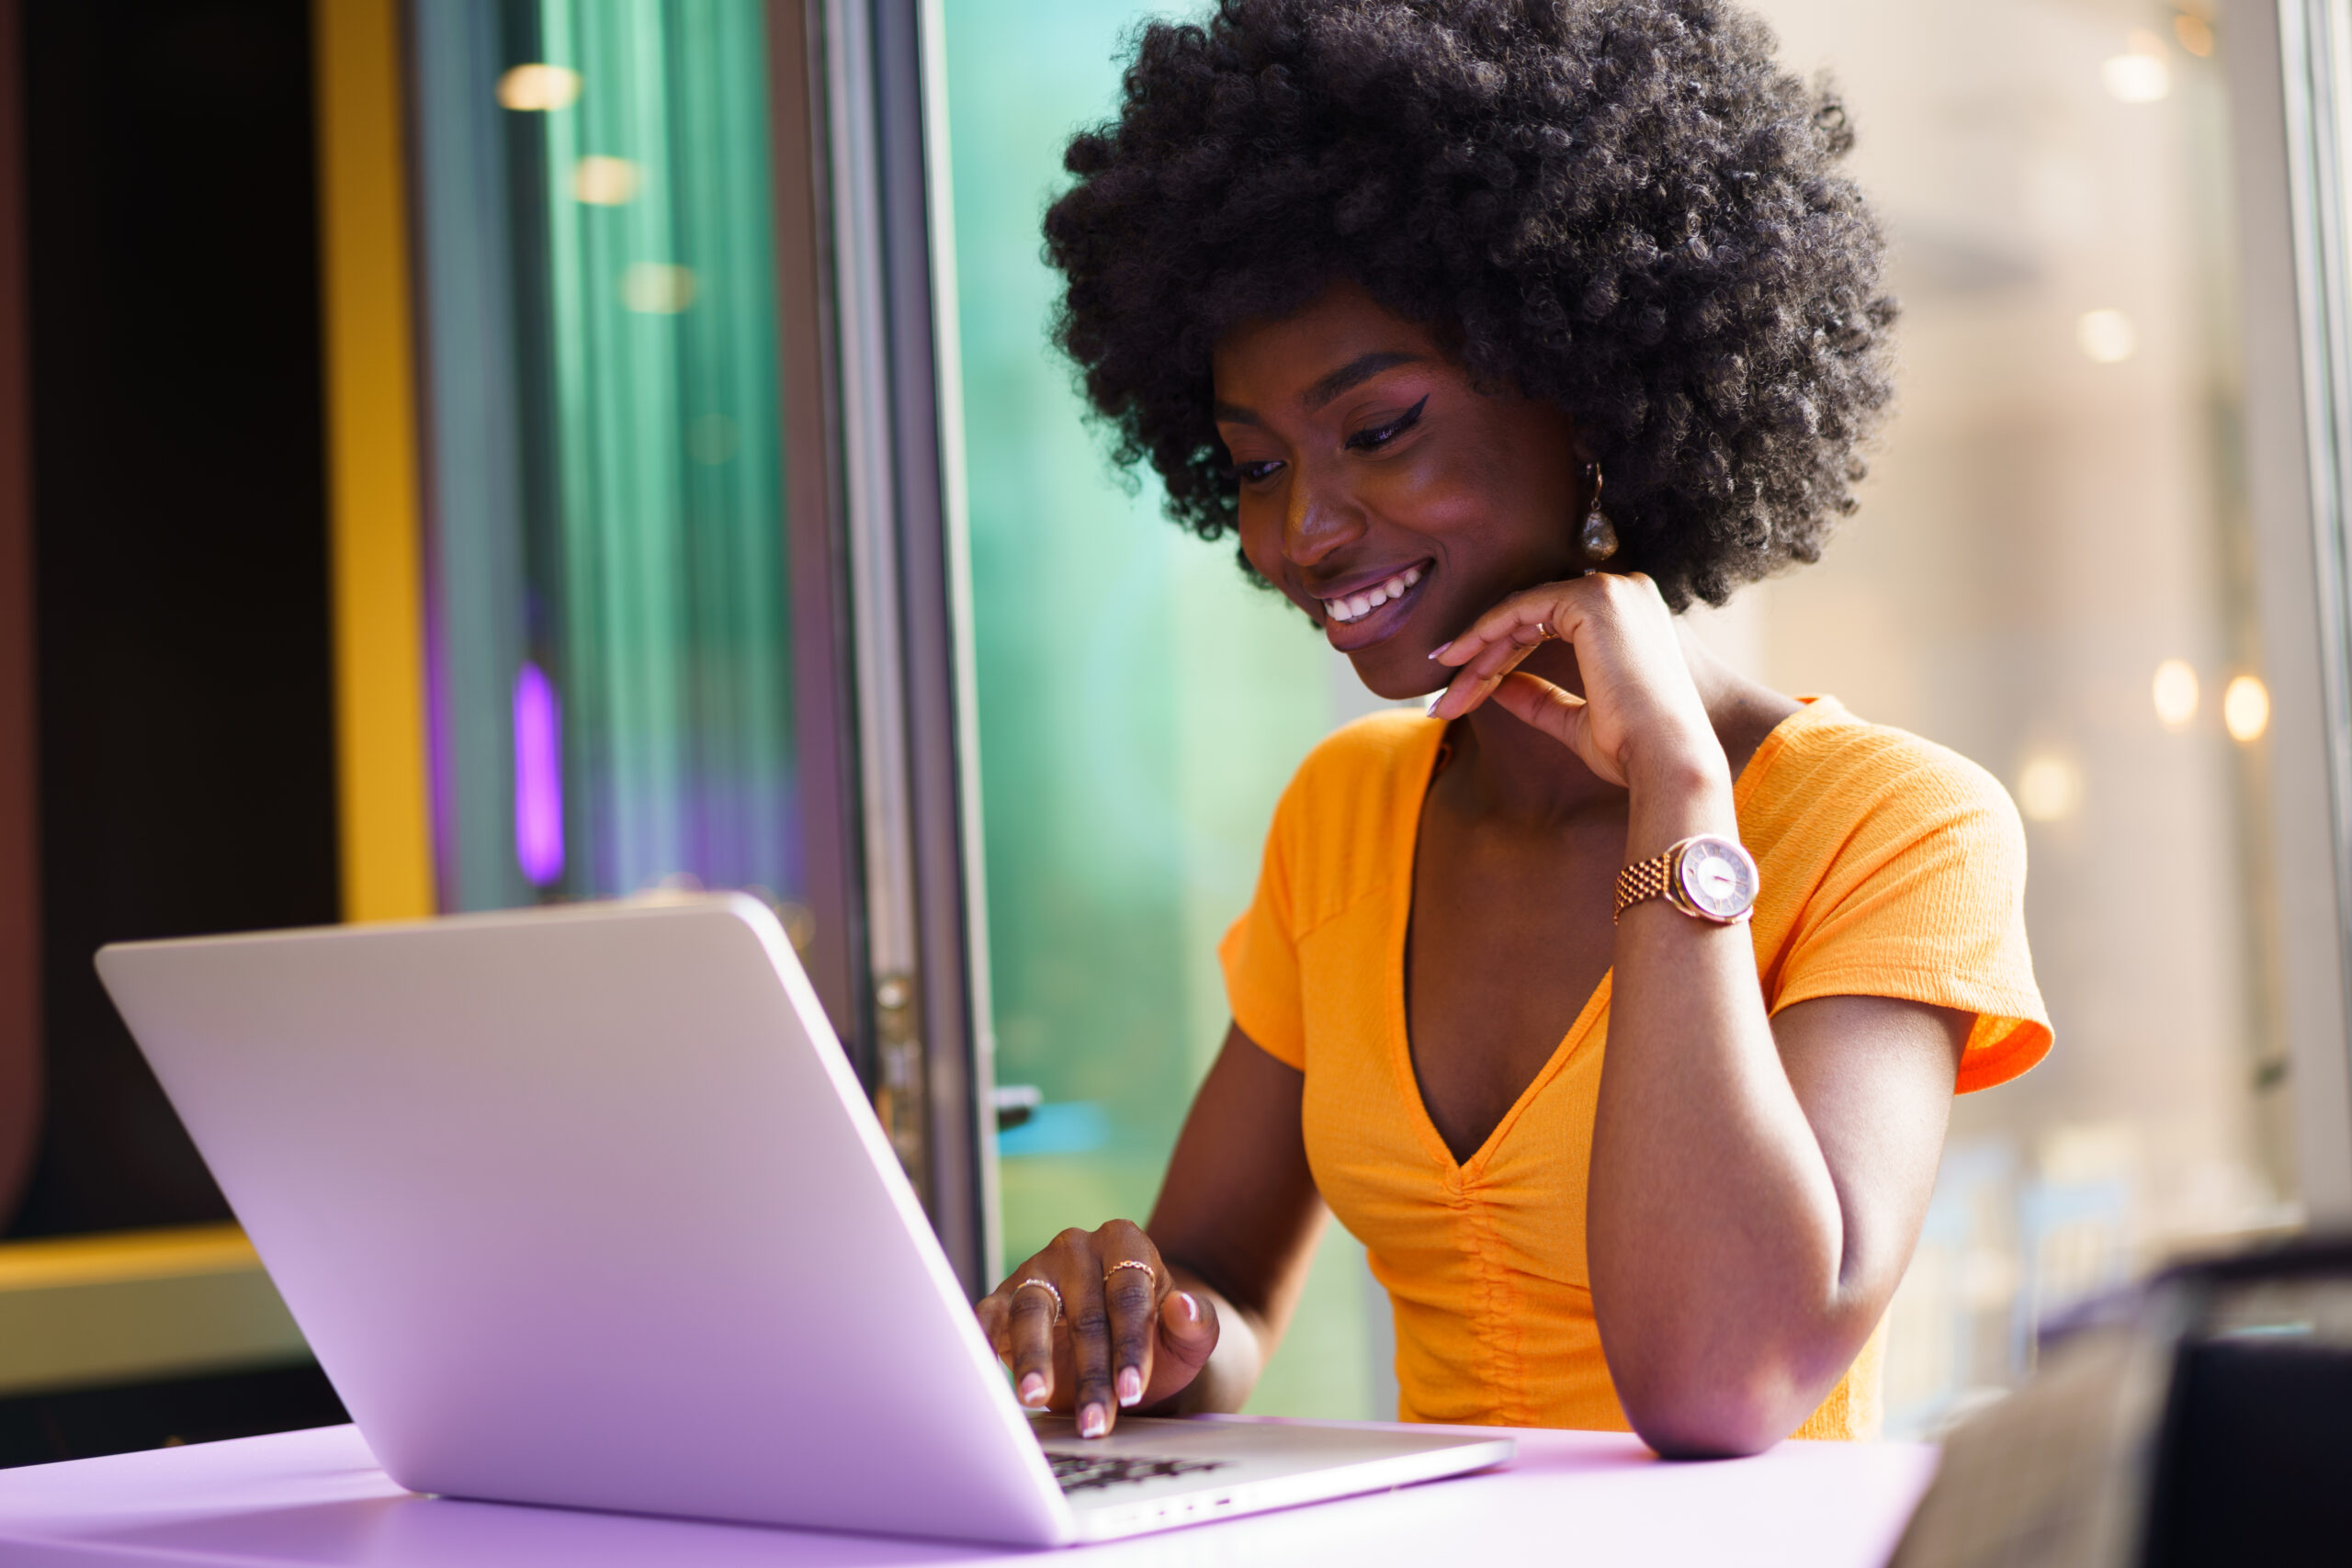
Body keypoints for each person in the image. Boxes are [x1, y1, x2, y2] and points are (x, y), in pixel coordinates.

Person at [976, 0, 2049, 1458]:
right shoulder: (1344, 816)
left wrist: (1678, 791)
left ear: (1590, 393)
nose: (1305, 530)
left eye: (1378, 431)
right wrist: (1134, 1315)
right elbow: (1219, 1291)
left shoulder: (1896, 824)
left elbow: (1725, 1383)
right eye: (1255, 464)